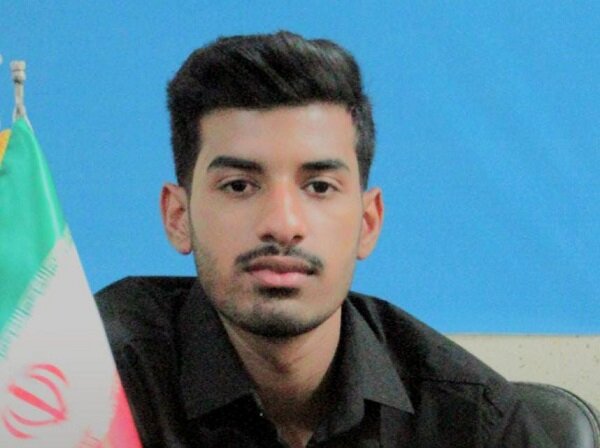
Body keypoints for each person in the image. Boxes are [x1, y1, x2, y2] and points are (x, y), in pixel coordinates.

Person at [95, 31, 555, 447]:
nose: (282, 224)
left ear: (368, 223)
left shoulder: (471, 422)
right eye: (239, 186)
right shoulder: (89, 382)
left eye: (319, 186)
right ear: (178, 217)